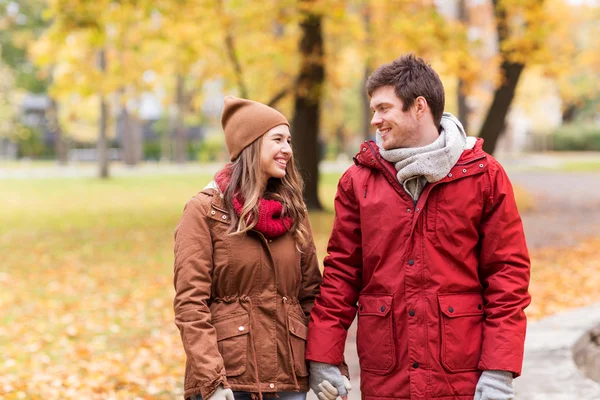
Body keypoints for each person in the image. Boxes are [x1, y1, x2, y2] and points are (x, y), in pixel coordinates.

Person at [305, 54, 531, 400]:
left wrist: (499, 371)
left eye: (384, 108)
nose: (375, 120)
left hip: (460, 374)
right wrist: (324, 358)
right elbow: (342, 274)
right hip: (387, 373)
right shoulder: (358, 180)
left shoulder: (484, 176)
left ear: (419, 107)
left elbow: (507, 276)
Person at [173, 96, 322, 400]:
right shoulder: (204, 211)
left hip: (288, 379)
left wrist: (325, 364)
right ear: (250, 145)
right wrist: (211, 379)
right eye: (277, 139)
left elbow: (311, 297)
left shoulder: (295, 213)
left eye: (289, 141)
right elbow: (190, 303)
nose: (288, 150)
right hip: (230, 380)